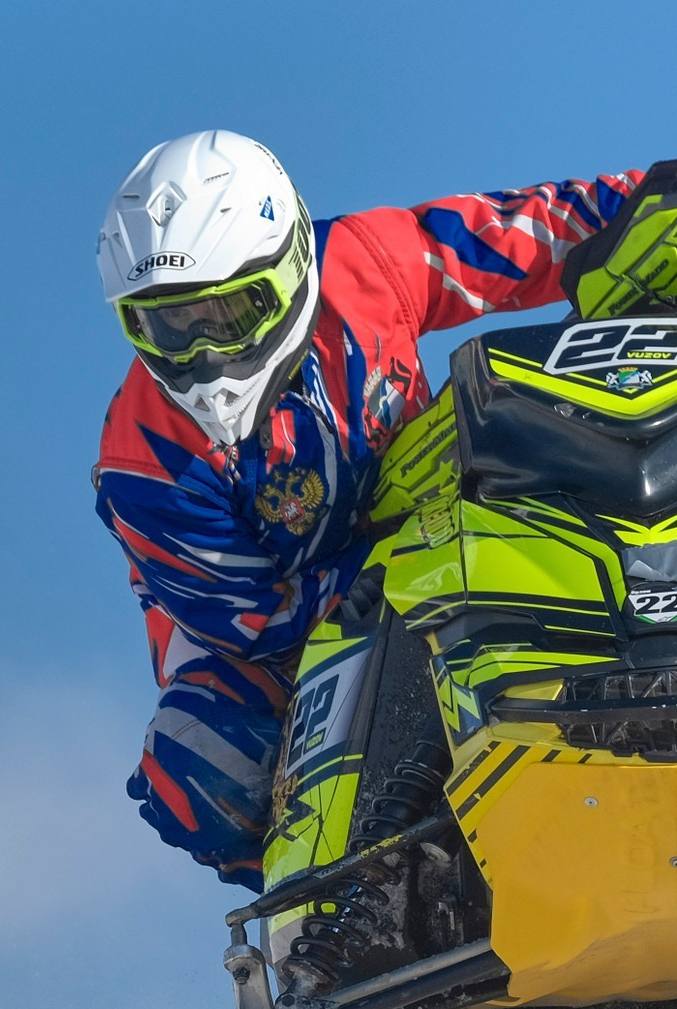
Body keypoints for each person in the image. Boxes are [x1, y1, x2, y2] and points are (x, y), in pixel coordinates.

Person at [93, 130, 643, 890]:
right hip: (268, 651)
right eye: (168, 326)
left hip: (455, 526)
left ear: (286, 269)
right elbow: (261, 625)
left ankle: (663, 706)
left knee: (555, 429)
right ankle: (339, 907)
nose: (205, 357)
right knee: (196, 763)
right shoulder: (144, 459)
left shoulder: (366, 261)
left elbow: (523, 234)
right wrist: (394, 544)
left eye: (227, 315)